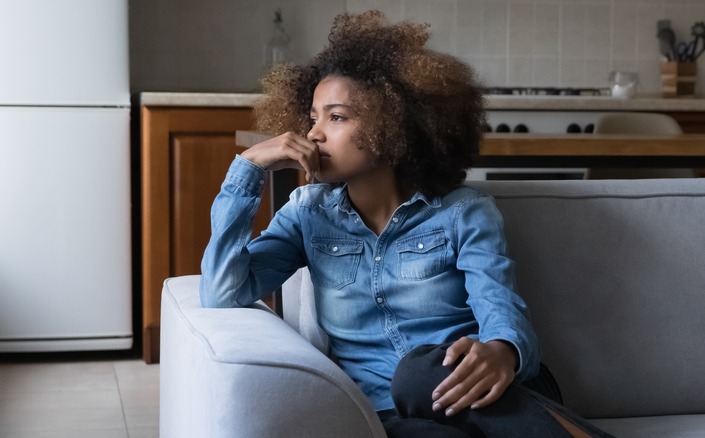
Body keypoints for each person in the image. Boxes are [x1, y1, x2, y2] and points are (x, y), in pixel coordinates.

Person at [200, 10, 613, 438]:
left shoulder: (463, 213)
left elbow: (501, 309)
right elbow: (222, 291)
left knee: (417, 373)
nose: (315, 134)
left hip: (487, 388)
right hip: (391, 415)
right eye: (313, 117)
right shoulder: (308, 213)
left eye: (336, 117)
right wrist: (247, 168)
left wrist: (502, 351)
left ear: (394, 126)